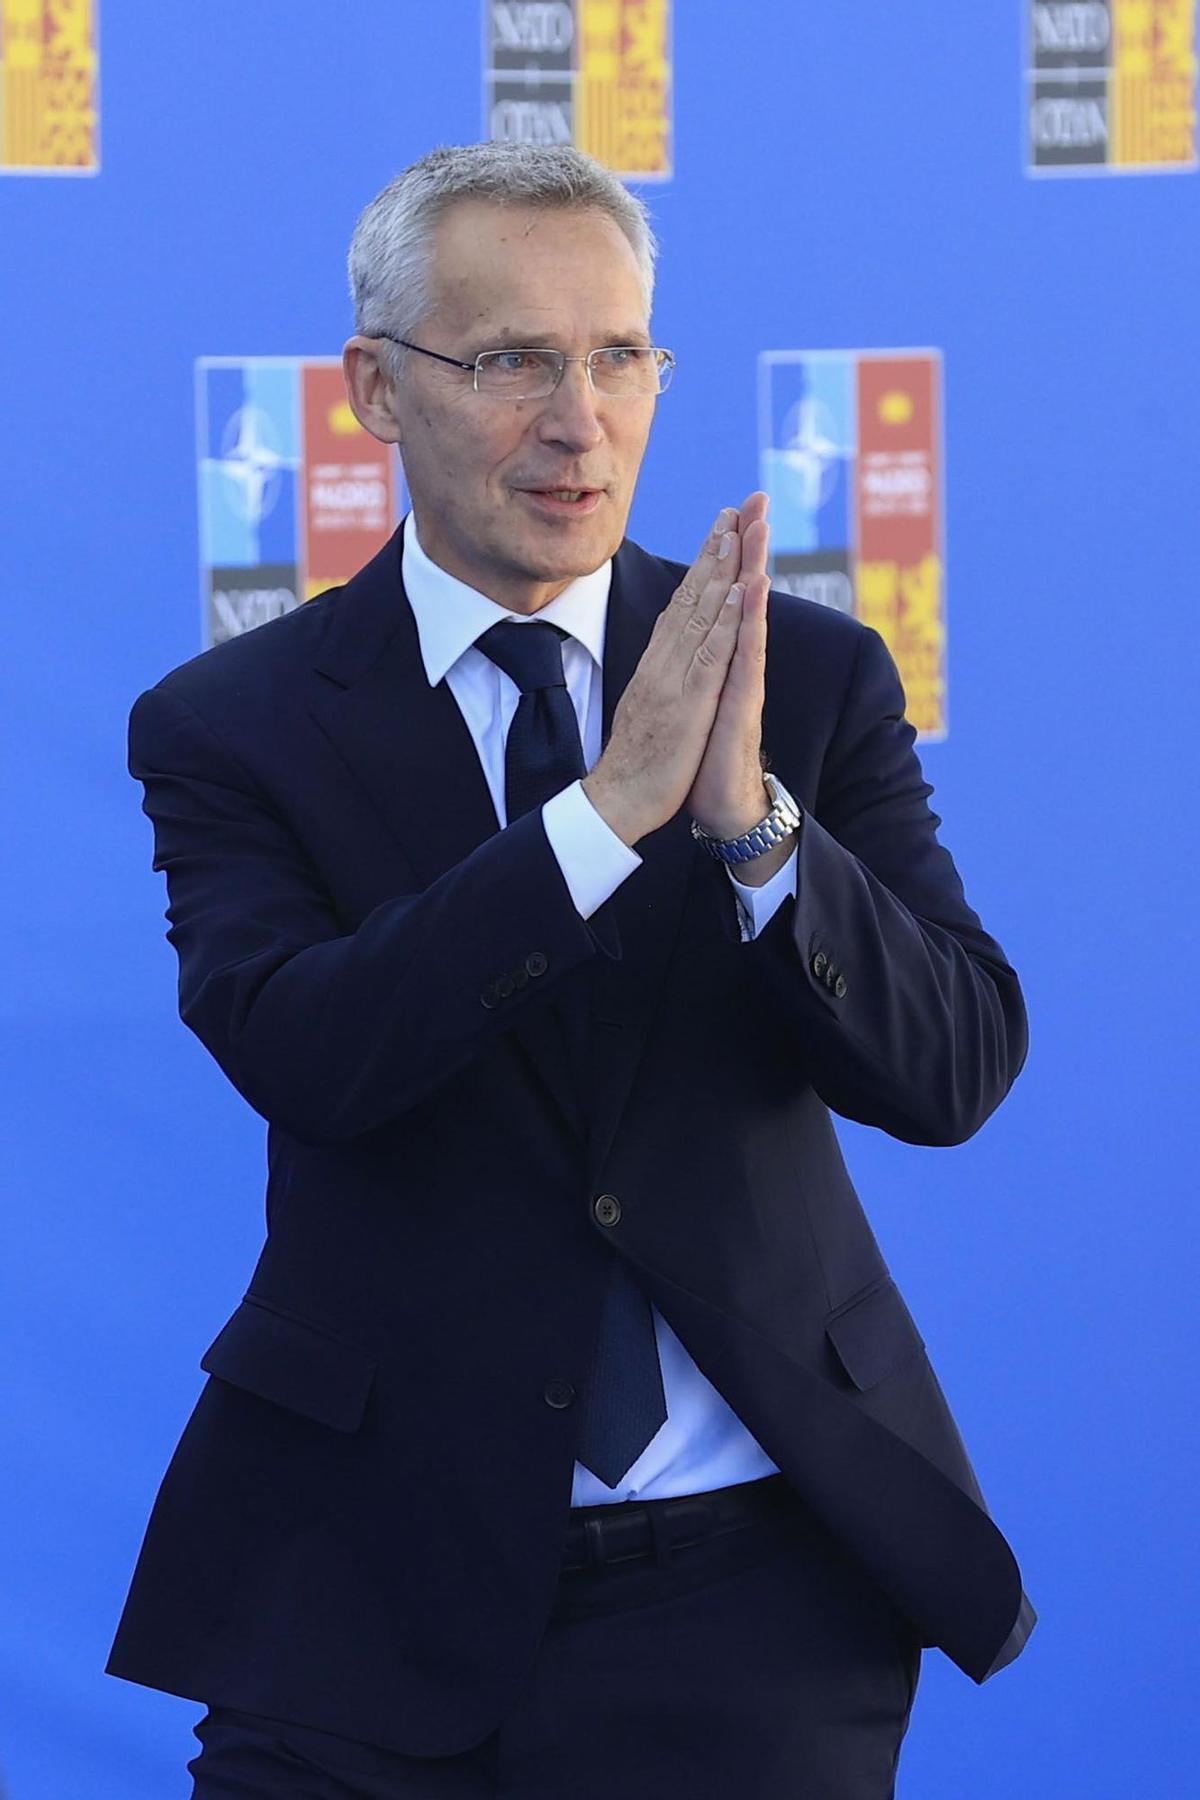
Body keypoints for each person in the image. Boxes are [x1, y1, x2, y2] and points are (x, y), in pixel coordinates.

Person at [107, 141, 1035, 1799]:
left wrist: (749, 827)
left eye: (618, 356)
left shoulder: (803, 676)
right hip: (361, 1590)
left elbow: (954, 1067)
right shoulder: (230, 727)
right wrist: (607, 816)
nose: (578, 417)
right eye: (513, 358)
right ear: (376, 392)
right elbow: (314, 1054)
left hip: (755, 1601)